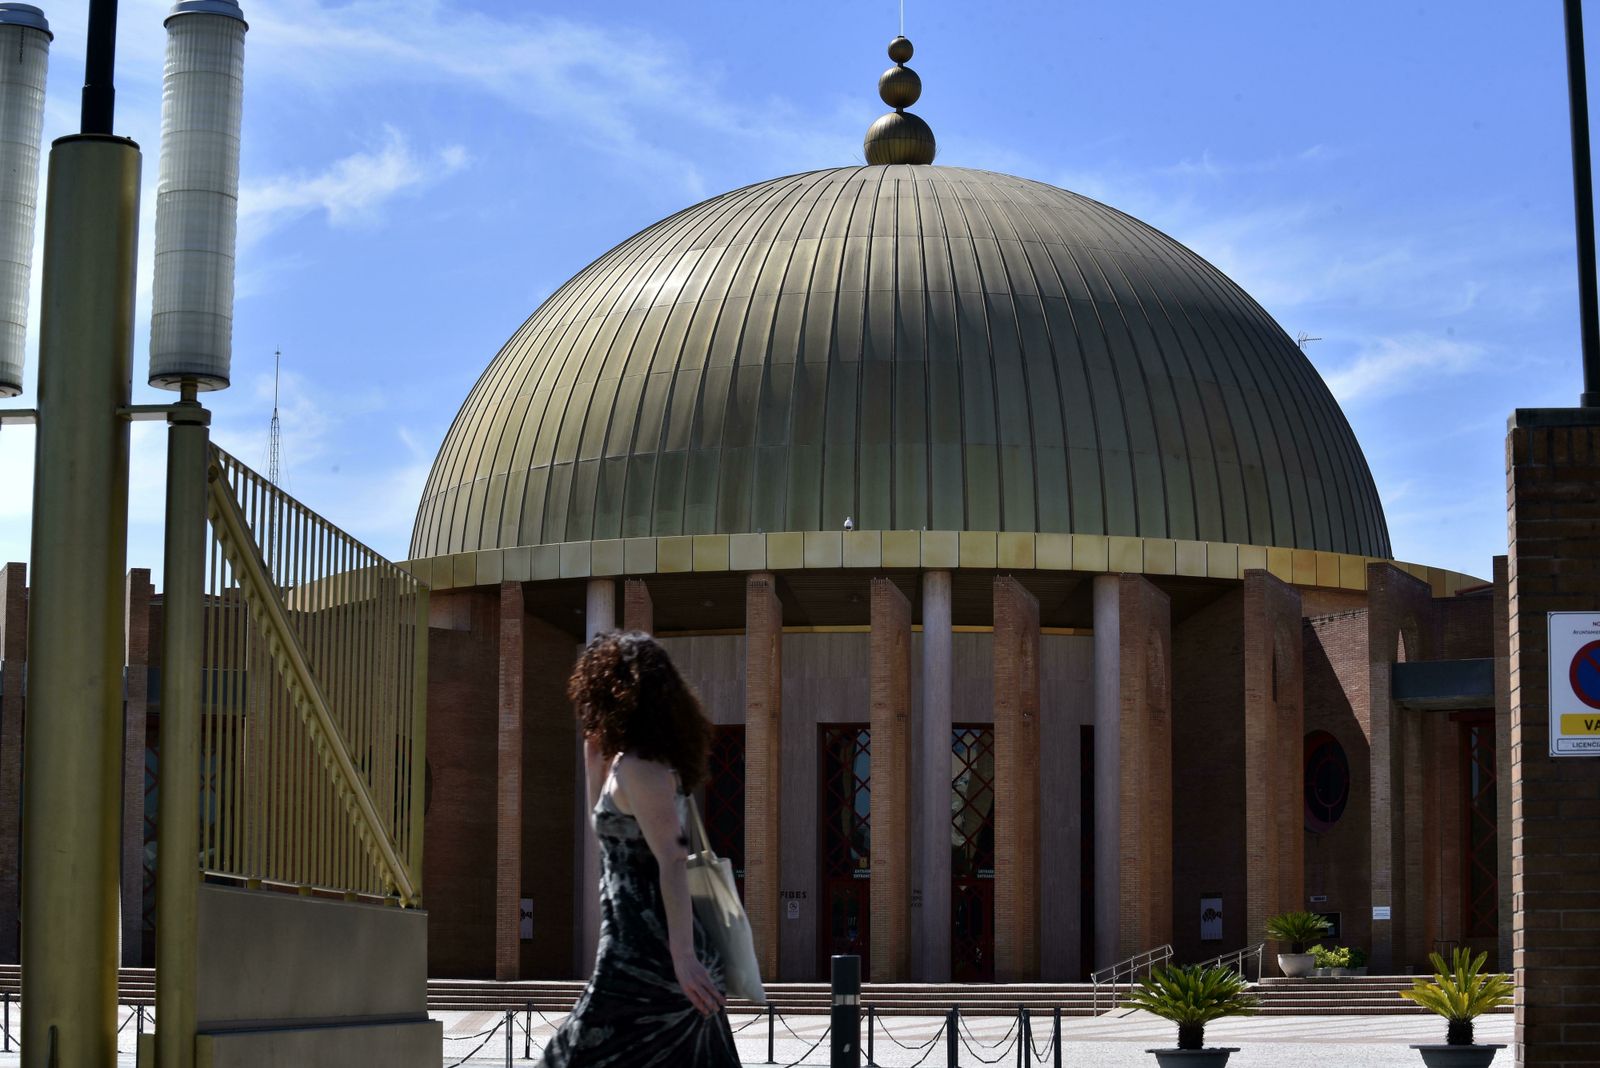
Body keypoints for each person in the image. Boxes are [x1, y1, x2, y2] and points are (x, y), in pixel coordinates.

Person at [537, 630, 743, 1067]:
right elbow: (610, 843)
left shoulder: (641, 768)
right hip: (633, 945)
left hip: (650, 954)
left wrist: (684, 958)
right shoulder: (626, 764)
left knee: (568, 1057)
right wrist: (594, 754)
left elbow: (671, 859)